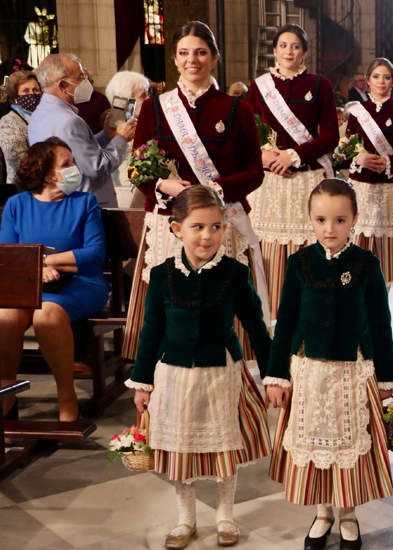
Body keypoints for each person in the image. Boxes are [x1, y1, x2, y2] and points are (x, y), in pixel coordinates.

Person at [126, 186, 271, 549]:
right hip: (173, 375)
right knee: (181, 448)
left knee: (224, 446)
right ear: (177, 229)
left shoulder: (234, 274)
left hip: (220, 373)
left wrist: (273, 374)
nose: (207, 235)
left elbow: (255, 325)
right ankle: (185, 518)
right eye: (197, 227)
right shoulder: (161, 276)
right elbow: (151, 330)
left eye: (216, 226)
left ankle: (225, 515)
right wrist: (142, 382)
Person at [121, 21, 267, 364]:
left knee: (221, 304)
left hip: (219, 221)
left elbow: (254, 172)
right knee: (169, 307)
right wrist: (162, 185)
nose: (193, 60)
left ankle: (231, 376)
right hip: (170, 222)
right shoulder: (155, 107)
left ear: (214, 58)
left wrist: (215, 189)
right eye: (184, 53)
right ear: (174, 59)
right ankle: (157, 377)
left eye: (201, 52)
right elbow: (137, 168)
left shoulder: (237, 109)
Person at [264, 179, 393, 550]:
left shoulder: (366, 264)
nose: (329, 229)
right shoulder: (299, 263)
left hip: (351, 371)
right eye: (321, 220)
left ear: (353, 219)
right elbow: (286, 319)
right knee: (315, 445)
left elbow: (380, 322)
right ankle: (323, 512)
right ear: (310, 219)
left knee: (348, 447)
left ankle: (349, 512)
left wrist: (387, 377)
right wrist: (276, 375)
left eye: (339, 220)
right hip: (309, 372)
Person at [0, 138, 108, 423]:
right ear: (48, 174)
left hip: (81, 283)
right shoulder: (17, 205)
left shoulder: (84, 203)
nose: (75, 168)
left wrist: (45, 261)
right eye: (67, 164)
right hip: (29, 284)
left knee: (46, 316)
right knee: (5, 317)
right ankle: (7, 391)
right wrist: (37, 269)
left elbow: (94, 253)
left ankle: (66, 395)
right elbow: (9, 255)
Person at [246, 24, 338, 322]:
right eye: (283, 45)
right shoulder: (259, 87)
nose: (289, 51)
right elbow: (245, 132)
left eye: (295, 46)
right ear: (274, 50)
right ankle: (270, 319)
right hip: (270, 183)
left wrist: (294, 155)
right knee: (269, 250)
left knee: (308, 247)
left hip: (306, 179)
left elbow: (330, 136)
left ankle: (308, 316)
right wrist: (263, 154)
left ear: (305, 52)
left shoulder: (319, 84)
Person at [343, 58, 393, 285]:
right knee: (358, 248)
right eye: (376, 76)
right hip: (362, 187)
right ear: (367, 80)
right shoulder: (357, 111)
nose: (381, 81)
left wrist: (389, 162)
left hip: (390, 188)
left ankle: (382, 304)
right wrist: (360, 157)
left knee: (386, 258)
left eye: (387, 77)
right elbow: (345, 150)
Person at [28, 53, 136, 207]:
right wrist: (121, 139)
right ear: (63, 86)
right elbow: (96, 169)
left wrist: (106, 136)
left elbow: (76, 151)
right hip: (85, 205)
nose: (86, 83)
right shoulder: (68, 120)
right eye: (80, 78)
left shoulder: (38, 114)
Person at [103, 70, 151, 206]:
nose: (148, 99)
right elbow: (124, 174)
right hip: (127, 196)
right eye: (143, 96)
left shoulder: (143, 121)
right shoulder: (121, 128)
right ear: (128, 102)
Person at [0, 70, 41, 183]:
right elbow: (17, 160)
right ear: (15, 96)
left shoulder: (41, 116)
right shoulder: (8, 122)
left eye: (35, 90)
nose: (32, 94)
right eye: (25, 91)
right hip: (21, 185)